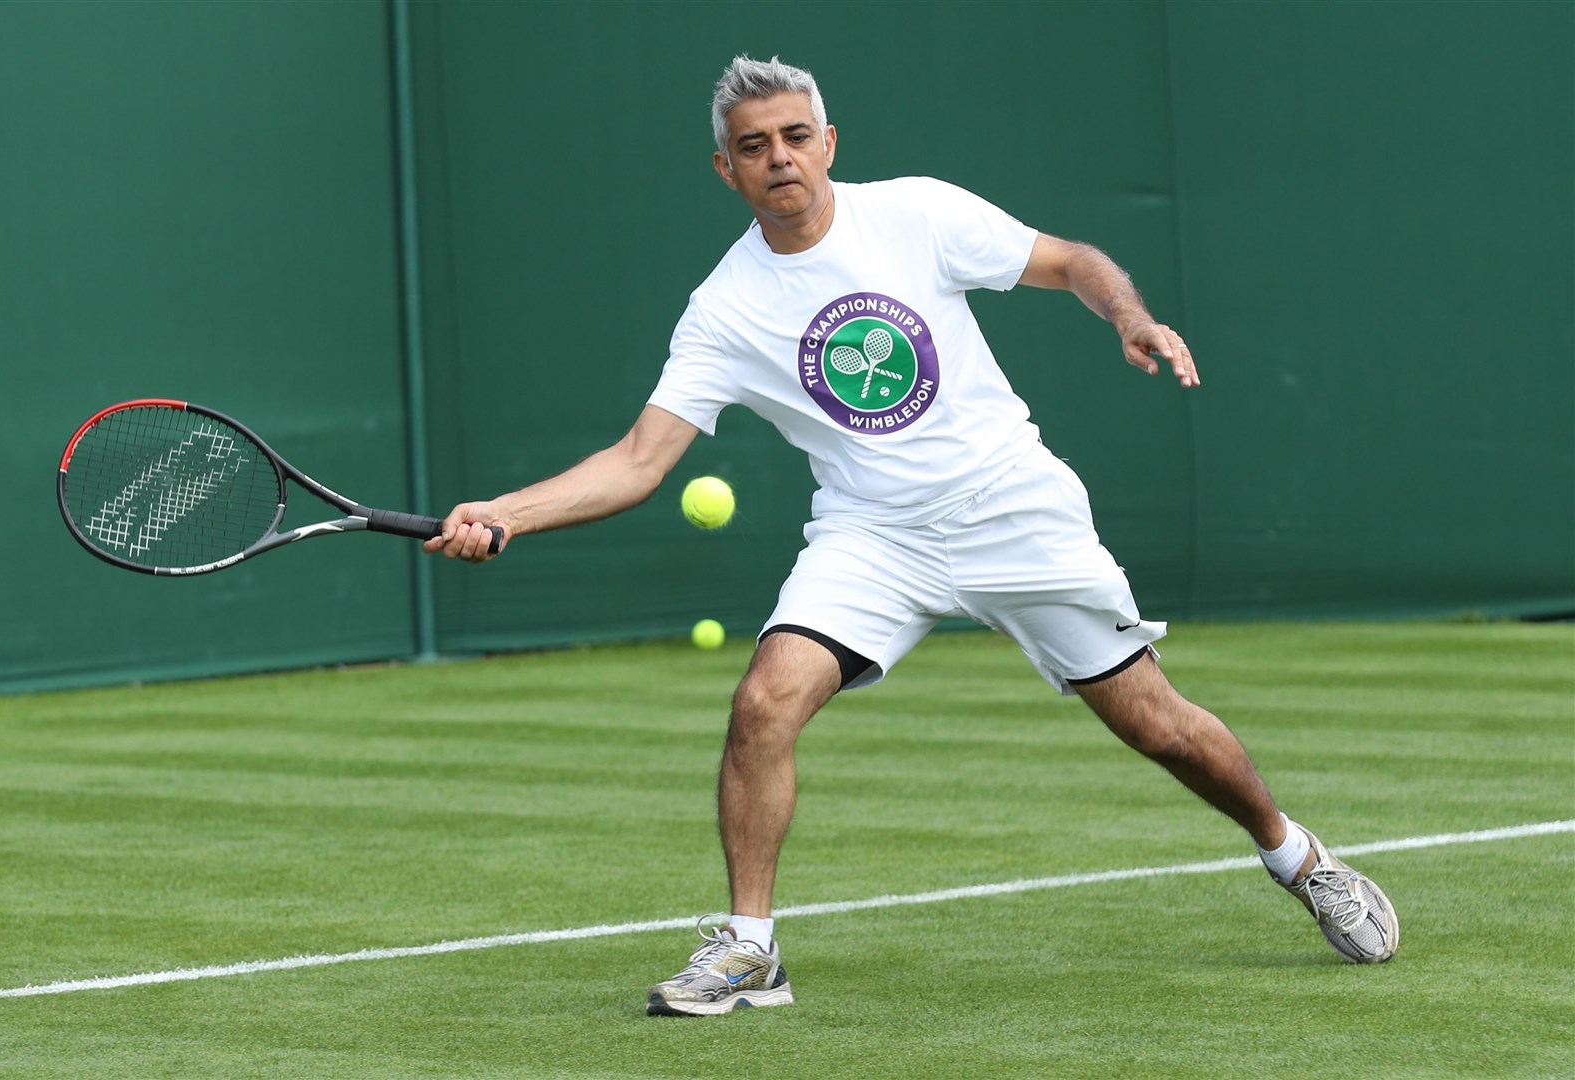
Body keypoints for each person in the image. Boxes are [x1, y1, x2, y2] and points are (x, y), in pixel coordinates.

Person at [425, 54, 1398, 1017]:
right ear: (725, 169)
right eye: (753, 147)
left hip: (1012, 506)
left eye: (795, 138)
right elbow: (639, 461)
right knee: (764, 702)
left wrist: (1127, 316)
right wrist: (507, 513)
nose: (779, 160)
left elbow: (1069, 261)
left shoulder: (917, 213)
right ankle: (750, 950)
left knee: (1156, 724)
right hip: (873, 539)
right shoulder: (722, 311)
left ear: (828, 142)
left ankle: (1294, 855)